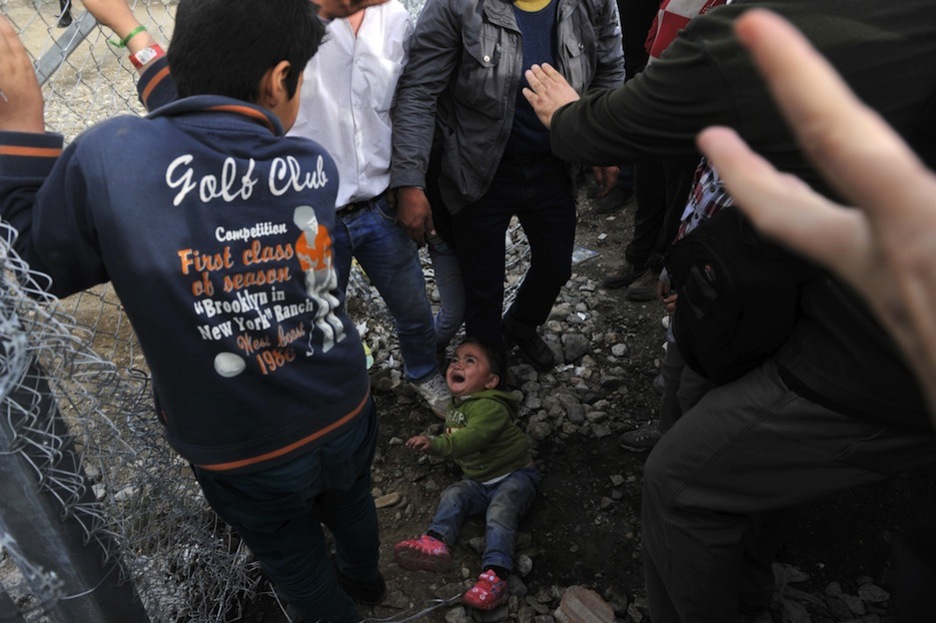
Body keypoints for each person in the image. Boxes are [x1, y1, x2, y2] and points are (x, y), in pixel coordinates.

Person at [522, 1, 936, 621]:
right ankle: (746, 576)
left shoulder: (754, 30)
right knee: (704, 405)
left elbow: (607, 126)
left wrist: (567, 115)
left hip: (869, 347)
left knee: (680, 483)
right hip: (779, 281)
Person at [0, 0, 389, 620]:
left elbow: (27, 265)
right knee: (352, 504)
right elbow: (210, 133)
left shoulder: (111, 158)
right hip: (341, 401)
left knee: (292, 561)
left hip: (241, 446)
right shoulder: (312, 166)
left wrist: (23, 120)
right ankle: (367, 582)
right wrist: (130, 29)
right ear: (279, 79)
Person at [390, 0, 625, 371]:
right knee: (482, 283)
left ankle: (520, 324)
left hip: (552, 166)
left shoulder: (591, 4)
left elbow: (608, 70)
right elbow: (419, 91)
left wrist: (601, 144)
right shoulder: (457, 6)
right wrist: (409, 182)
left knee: (556, 263)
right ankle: (489, 366)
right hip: (476, 167)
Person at [286, 0, 454, 417]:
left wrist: (408, 181)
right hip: (311, 216)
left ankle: (422, 372)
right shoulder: (289, 19)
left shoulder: (395, 18)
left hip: (379, 205)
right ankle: (334, 399)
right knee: (320, 322)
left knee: (414, 309)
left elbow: (407, 103)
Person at [393, 337, 539, 611]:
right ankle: (436, 540)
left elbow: (469, 440)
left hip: (515, 476)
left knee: (500, 511)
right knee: (454, 493)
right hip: (480, 481)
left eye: (470, 361)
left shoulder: (492, 407)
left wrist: (435, 444)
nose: (458, 364)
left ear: (491, 381)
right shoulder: (458, 406)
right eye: (456, 359)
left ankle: (496, 574)